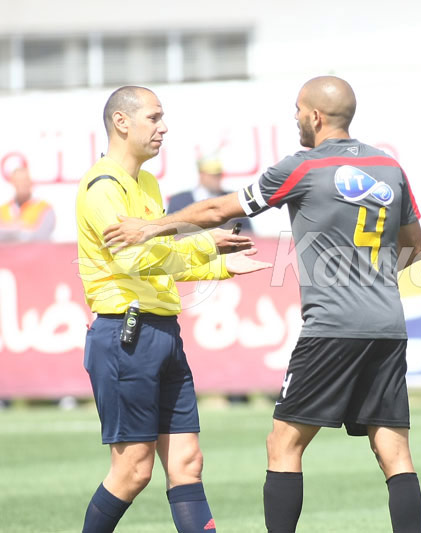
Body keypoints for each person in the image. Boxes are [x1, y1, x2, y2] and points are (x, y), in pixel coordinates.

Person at [103, 76, 421, 533]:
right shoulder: (389, 167)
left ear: (315, 116)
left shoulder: (303, 167)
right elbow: (416, 247)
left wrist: (151, 227)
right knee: (394, 451)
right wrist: (367, 279)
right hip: (388, 324)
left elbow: (221, 210)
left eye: (297, 109)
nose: (294, 117)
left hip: (331, 327)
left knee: (283, 444)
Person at [75, 85, 268, 533]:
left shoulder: (146, 183)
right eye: (155, 118)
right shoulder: (102, 186)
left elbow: (161, 262)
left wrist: (217, 264)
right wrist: (206, 241)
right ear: (122, 122)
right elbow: (131, 260)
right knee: (133, 472)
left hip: (162, 333)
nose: (164, 128)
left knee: (188, 462)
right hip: (127, 335)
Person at [168, 155, 253, 233]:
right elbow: (169, 235)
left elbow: (247, 233)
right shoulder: (178, 202)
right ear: (202, 175)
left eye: (219, 175)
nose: (217, 179)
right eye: (213, 175)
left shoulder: (233, 200)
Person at [0, 165, 55, 241]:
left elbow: (41, 236)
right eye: (18, 181)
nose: (22, 184)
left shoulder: (45, 208)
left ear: (30, 182)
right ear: (13, 183)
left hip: (36, 252)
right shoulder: (2, 210)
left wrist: (10, 227)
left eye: (25, 180)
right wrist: (23, 227)